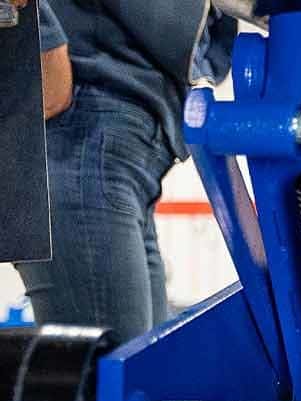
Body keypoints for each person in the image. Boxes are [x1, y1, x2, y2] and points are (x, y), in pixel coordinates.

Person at [16, 1, 235, 344]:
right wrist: (39, 41)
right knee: (104, 385)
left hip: (122, 151)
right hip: (81, 132)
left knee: (141, 382)